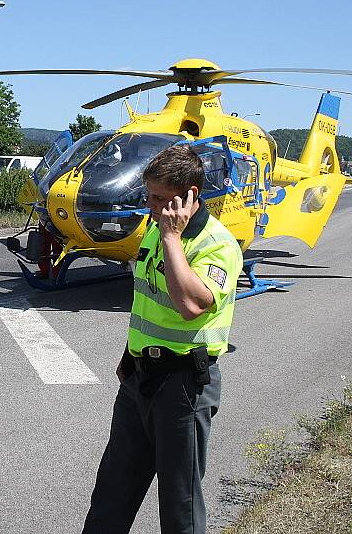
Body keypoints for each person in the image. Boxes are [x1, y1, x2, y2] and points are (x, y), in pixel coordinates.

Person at [82, 145, 244, 534]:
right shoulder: (156, 229)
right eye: (148, 196)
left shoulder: (216, 245)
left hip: (184, 385)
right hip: (140, 377)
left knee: (179, 506)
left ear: (190, 195)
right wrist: (130, 354)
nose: (150, 206)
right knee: (111, 493)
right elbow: (146, 299)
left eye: (159, 199)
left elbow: (191, 304)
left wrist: (173, 238)